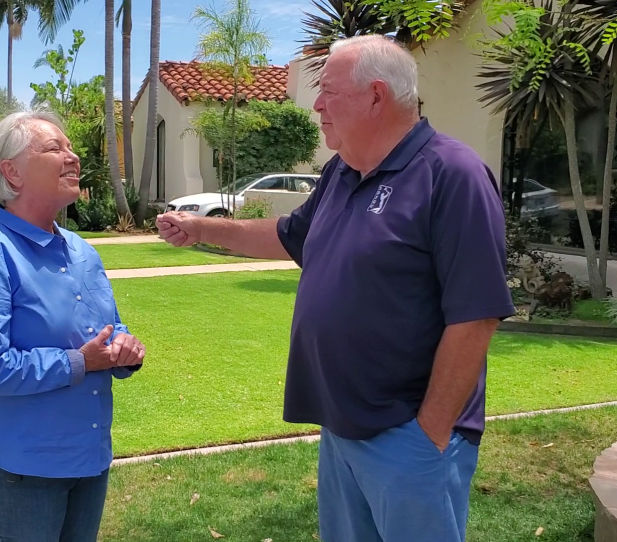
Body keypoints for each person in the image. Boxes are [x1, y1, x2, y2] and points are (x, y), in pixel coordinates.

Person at [157, 35, 514, 542]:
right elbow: (288, 236)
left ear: (375, 95)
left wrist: (428, 433)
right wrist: (201, 229)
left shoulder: (452, 174)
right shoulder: (342, 173)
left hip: (409, 436)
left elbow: (476, 315)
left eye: (328, 91)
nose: (318, 105)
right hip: (341, 429)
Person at [0, 107, 145, 542]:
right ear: (12, 172)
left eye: (71, 147)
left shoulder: (81, 251)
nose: (73, 157)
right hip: (17, 464)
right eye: (55, 148)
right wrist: (79, 363)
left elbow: (109, 330)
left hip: (87, 457)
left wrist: (125, 349)